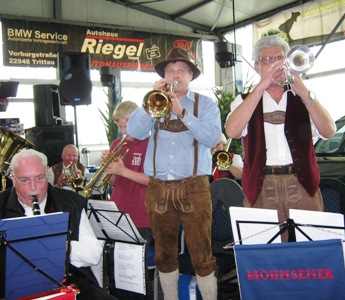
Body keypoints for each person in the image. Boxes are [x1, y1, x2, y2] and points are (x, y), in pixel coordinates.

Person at [127, 47, 222, 299]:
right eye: (171, 70)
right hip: (158, 188)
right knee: (164, 254)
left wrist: (181, 111)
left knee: (202, 253)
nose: (176, 75)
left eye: (181, 70)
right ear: (164, 76)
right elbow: (135, 132)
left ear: (190, 75)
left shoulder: (207, 104)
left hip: (194, 187)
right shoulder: (153, 101)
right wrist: (151, 99)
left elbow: (212, 137)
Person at [225, 35, 336, 242]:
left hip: (302, 184)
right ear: (257, 66)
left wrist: (303, 91)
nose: (274, 64)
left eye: (279, 58)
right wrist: (261, 87)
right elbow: (232, 131)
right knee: (265, 256)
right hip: (260, 187)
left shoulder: (303, 98)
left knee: (310, 251)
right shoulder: (243, 100)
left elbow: (329, 131)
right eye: (267, 60)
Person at [0, 149, 116, 300]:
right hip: (14, 285)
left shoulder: (70, 202)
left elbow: (93, 254)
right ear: (13, 179)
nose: (34, 187)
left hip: (67, 281)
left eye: (40, 178)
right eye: (24, 180)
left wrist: (62, 247)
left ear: (48, 173)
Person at [101, 100, 152, 299]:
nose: (123, 131)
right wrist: (109, 168)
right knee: (117, 269)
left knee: (135, 272)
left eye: (126, 126)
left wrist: (123, 170)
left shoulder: (151, 144)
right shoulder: (117, 144)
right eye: (119, 126)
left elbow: (154, 181)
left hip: (140, 215)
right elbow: (114, 181)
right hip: (118, 211)